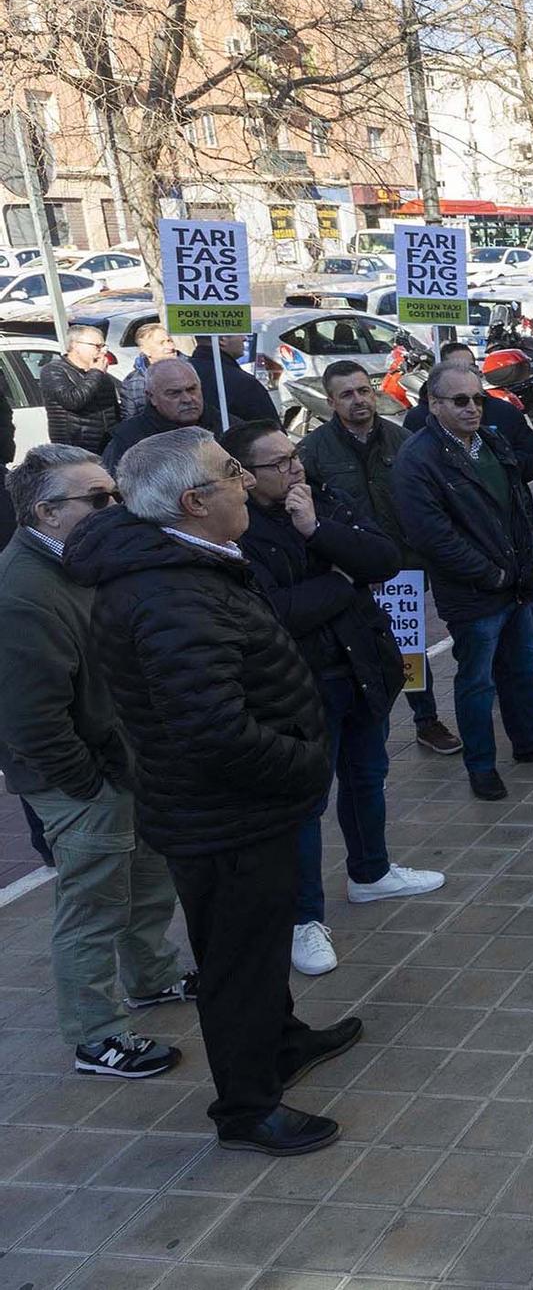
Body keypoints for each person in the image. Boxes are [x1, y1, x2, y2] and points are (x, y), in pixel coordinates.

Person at [66, 427, 359, 1157]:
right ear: (195, 502)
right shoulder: (167, 592)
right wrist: (302, 762)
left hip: (242, 808)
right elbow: (214, 729)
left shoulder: (187, 561)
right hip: (223, 815)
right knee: (236, 963)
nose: (247, 481)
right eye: (234, 471)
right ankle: (247, 1106)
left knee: (258, 949)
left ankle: (282, 1042)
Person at [0, 444, 193, 1080]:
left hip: (121, 760)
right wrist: (90, 785)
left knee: (146, 875)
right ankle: (97, 1036)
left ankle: (151, 976)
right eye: (100, 499)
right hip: (81, 779)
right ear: (47, 511)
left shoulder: (79, 562)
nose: (117, 508)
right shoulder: (24, 592)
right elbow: (31, 721)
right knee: (93, 904)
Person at [226, 421, 443, 978]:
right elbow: (273, 611)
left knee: (368, 775)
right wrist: (344, 583)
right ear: (245, 475)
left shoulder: (322, 503)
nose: (293, 468)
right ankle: (304, 919)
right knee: (307, 803)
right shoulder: (239, 530)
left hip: (361, 667)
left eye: (293, 456)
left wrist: (318, 530)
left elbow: (385, 559)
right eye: (277, 464)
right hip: (299, 684)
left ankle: (371, 872)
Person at [393, 362, 533, 801]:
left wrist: (523, 563)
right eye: (460, 400)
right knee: (477, 681)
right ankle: (481, 766)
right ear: (434, 404)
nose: (472, 408)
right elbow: (433, 536)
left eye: (478, 399)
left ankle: (532, 741)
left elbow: (519, 506)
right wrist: (493, 574)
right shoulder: (418, 459)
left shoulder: (489, 442)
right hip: (473, 595)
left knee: (520, 670)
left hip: (514, 584)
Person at [300, 361, 462, 755]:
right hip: (346, 573)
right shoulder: (312, 451)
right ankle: (365, 727)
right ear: (331, 402)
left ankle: (426, 720)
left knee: (408, 643)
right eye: (347, 394)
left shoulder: (403, 440)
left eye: (364, 390)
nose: (359, 400)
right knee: (354, 648)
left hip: (402, 565)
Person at [435, 343, 533, 681]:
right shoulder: (421, 432)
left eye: (473, 374)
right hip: (467, 551)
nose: (470, 400)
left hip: (516, 535)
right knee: (481, 637)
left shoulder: (503, 414)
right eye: (459, 390)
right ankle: (489, 672)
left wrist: (503, 466)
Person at [103, 357, 204, 474]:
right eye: (174, 393)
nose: (187, 399)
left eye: (192, 389)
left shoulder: (224, 423)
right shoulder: (127, 440)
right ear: (151, 397)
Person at [40, 323, 120, 455]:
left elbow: (114, 411)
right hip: (76, 449)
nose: (103, 351)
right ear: (75, 345)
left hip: (108, 447)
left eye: (104, 346)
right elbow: (73, 401)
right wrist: (95, 373)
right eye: (97, 346)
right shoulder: (54, 370)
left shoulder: (101, 375)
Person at [188, 335, 280, 431]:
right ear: (222, 339)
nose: (245, 338)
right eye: (240, 334)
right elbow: (272, 433)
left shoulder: (182, 374)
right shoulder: (244, 383)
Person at [119, 323, 181, 420]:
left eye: (169, 341)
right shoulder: (134, 383)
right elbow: (131, 421)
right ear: (146, 350)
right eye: (161, 343)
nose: (170, 346)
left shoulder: (193, 368)